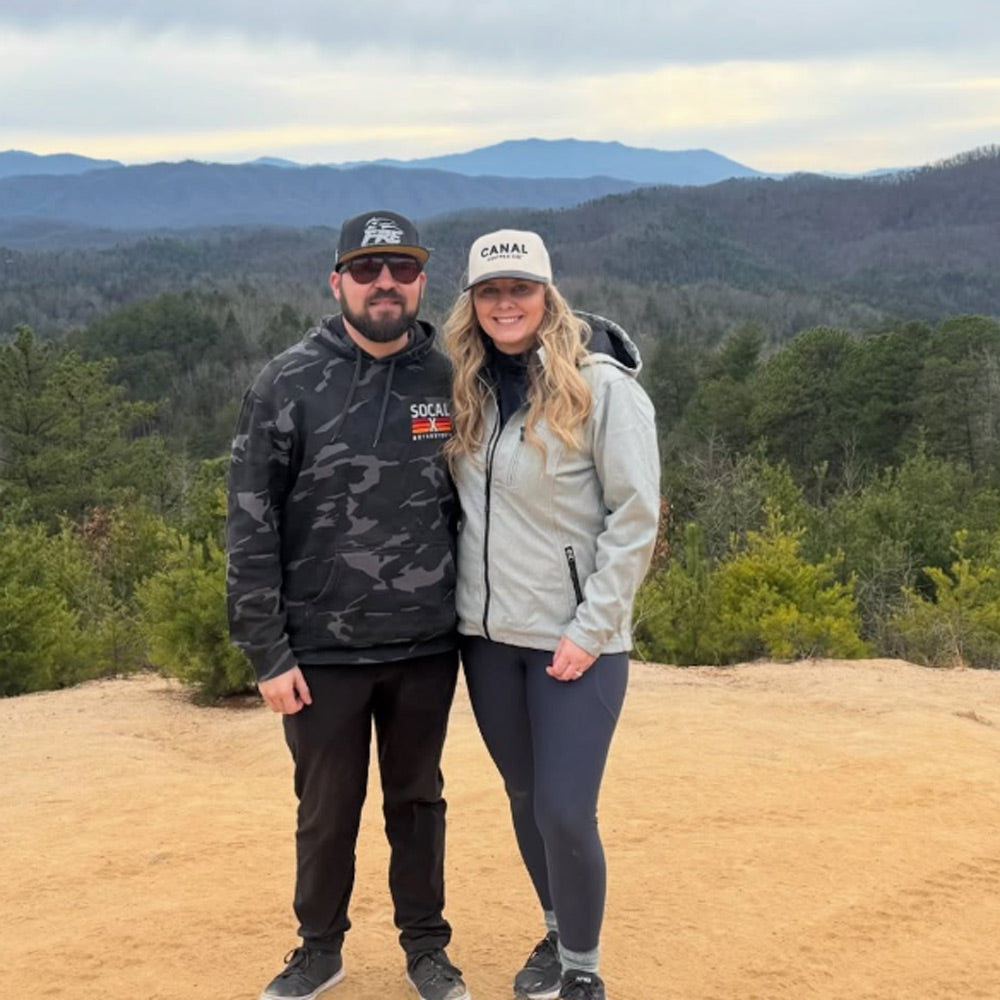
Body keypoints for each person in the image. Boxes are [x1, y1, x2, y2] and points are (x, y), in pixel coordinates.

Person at [227, 210, 469, 1000]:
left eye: (401, 269)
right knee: (327, 810)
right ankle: (319, 949)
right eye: (367, 269)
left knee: (418, 802)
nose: (385, 283)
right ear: (337, 282)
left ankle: (427, 949)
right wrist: (267, 651)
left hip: (427, 642)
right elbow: (250, 522)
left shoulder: (450, 380)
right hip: (320, 649)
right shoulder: (287, 382)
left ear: (421, 281)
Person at [442, 230, 660, 1000]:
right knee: (526, 798)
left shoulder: (603, 389)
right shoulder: (463, 388)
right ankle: (557, 931)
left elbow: (635, 517)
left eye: (521, 289)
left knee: (566, 809)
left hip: (575, 641)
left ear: (547, 295)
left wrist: (590, 629)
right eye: (490, 291)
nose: (506, 304)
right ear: (472, 302)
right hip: (486, 640)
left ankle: (582, 972)